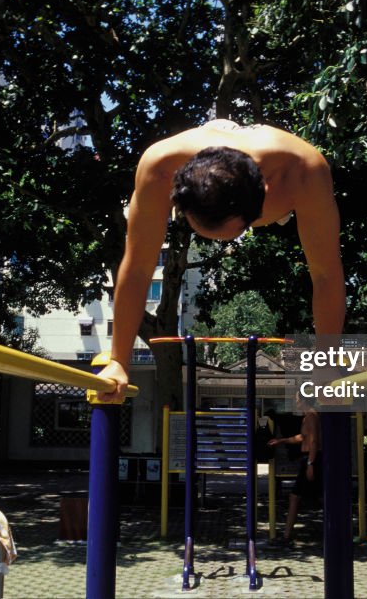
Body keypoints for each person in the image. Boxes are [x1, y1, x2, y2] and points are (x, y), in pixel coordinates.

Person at [96, 120, 345, 401]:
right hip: (207, 165)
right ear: (177, 198)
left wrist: (327, 364)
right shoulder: (159, 166)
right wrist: (118, 361)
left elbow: (326, 274)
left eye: (238, 231)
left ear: (263, 196)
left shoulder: (304, 168)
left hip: (274, 180)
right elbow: (139, 267)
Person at [267, 393, 321, 543]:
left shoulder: (311, 416)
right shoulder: (307, 416)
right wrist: (281, 440)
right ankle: (287, 534)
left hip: (311, 459)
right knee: (299, 496)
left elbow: (314, 441)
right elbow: (302, 437)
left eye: (296, 399)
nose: (295, 402)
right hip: (309, 458)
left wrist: (310, 463)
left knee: (295, 496)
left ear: (303, 401)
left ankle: (286, 536)